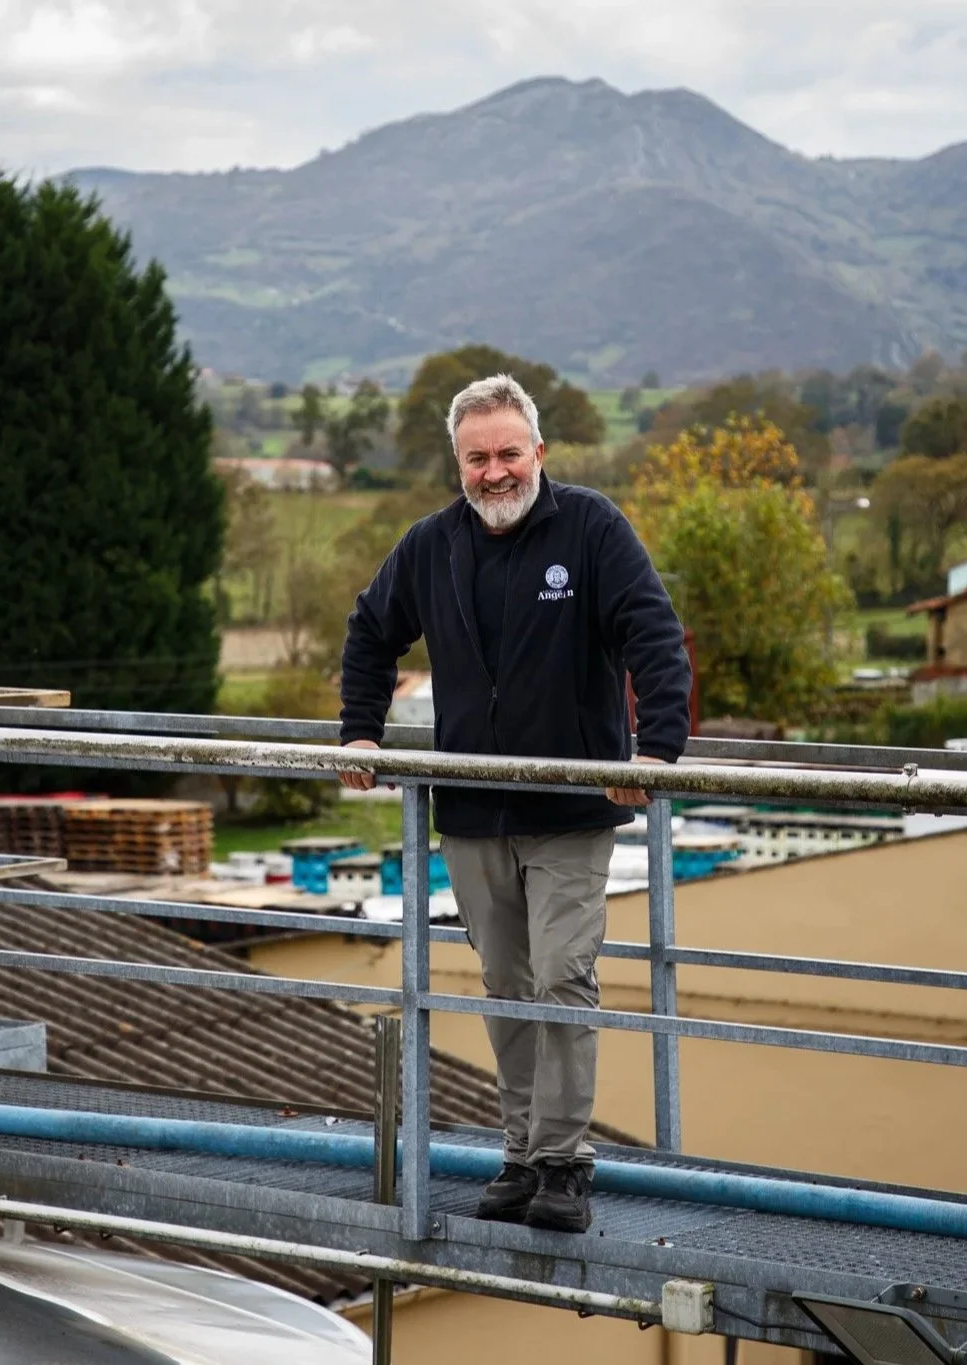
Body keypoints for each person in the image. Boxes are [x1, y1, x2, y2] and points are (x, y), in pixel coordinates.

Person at [338, 374, 691, 1233]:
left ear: (538, 451)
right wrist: (359, 733)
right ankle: (522, 1150)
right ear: (457, 463)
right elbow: (370, 629)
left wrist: (655, 752)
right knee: (506, 984)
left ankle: (565, 1161)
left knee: (563, 980)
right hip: (471, 812)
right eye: (476, 458)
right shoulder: (432, 544)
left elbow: (653, 632)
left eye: (507, 453)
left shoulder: (593, 528)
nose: (494, 472)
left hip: (571, 809)